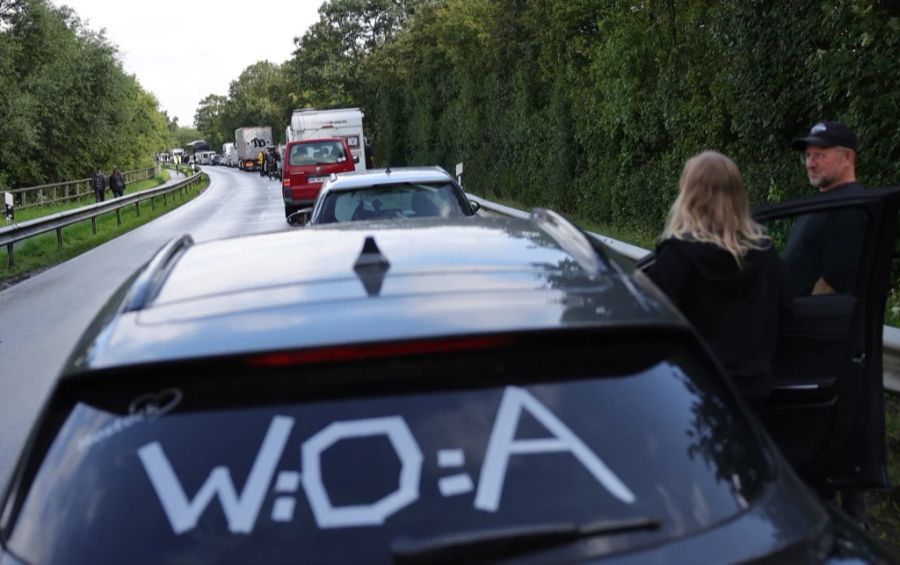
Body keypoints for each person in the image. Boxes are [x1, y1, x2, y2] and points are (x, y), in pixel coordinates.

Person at [646, 151, 792, 413]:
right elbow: (785, 313)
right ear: (738, 196)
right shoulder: (765, 253)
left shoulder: (678, 255)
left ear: (689, 196)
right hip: (753, 390)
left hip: (695, 390)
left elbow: (652, 322)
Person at [783, 121, 866, 296]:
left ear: (847, 158)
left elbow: (835, 280)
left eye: (819, 156)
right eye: (808, 156)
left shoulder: (849, 205)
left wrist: (796, 316)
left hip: (812, 320)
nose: (810, 164)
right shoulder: (826, 201)